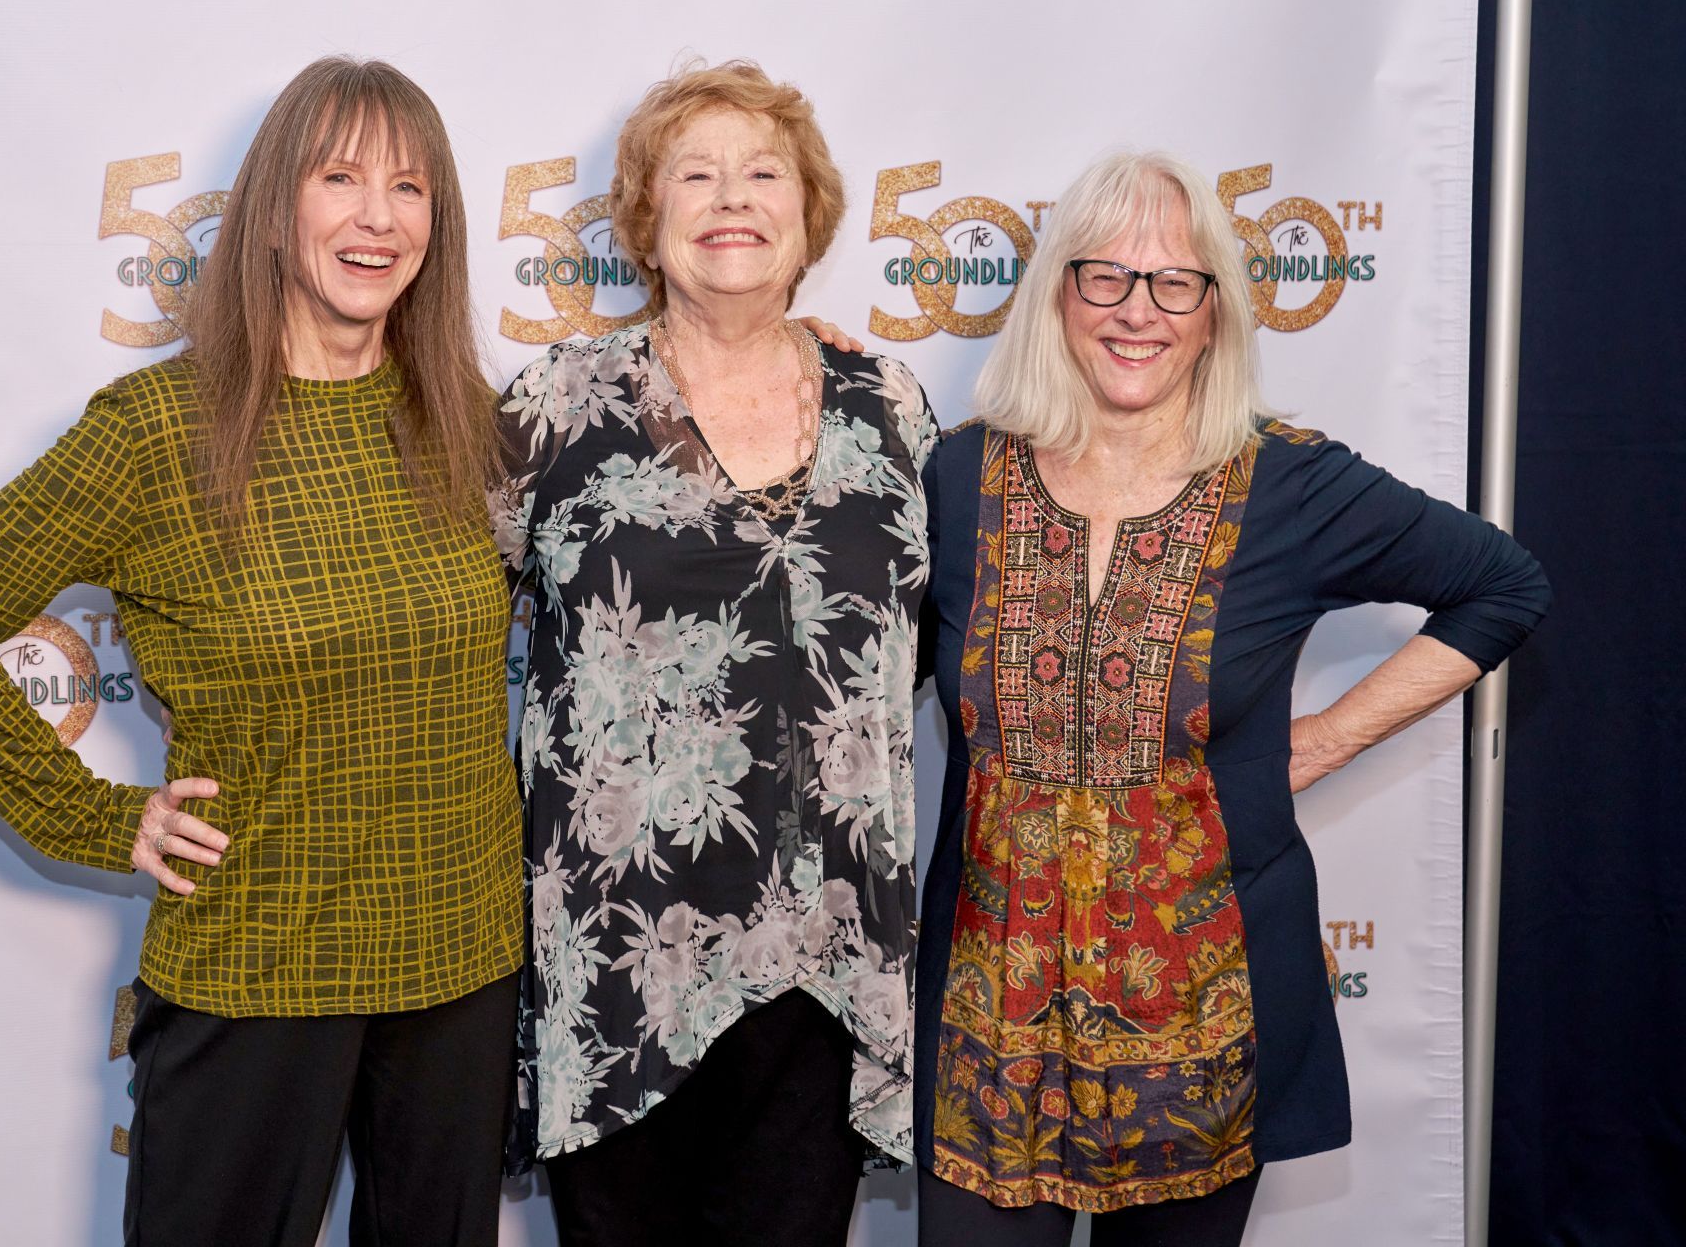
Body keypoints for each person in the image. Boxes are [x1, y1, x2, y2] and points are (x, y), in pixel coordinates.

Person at [0, 57, 521, 1247]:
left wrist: (789, 341)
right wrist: (94, 814)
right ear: (278, 212)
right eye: (341, 178)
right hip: (260, 962)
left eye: (411, 188)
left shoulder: (470, 420)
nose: (378, 216)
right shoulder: (158, 429)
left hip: (464, 958)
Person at [912, 150, 1549, 1245]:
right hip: (987, 1017)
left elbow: (1504, 585)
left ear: (1217, 313)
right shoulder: (958, 477)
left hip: (1203, 1023)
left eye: (1176, 282)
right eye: (1105, 275)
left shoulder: (1288, 482)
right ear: (1058, 291)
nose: (1138, 310)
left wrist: (1324, 740)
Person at [492, 60, 936, 1246]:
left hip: (829, 950)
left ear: (809, 215)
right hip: (621, 949)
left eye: (761, 172)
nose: (730, 197)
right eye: (695, 173)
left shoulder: (891, 402)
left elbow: (930, 647)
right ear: (647, 218)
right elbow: (435, 622)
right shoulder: (558, 405)